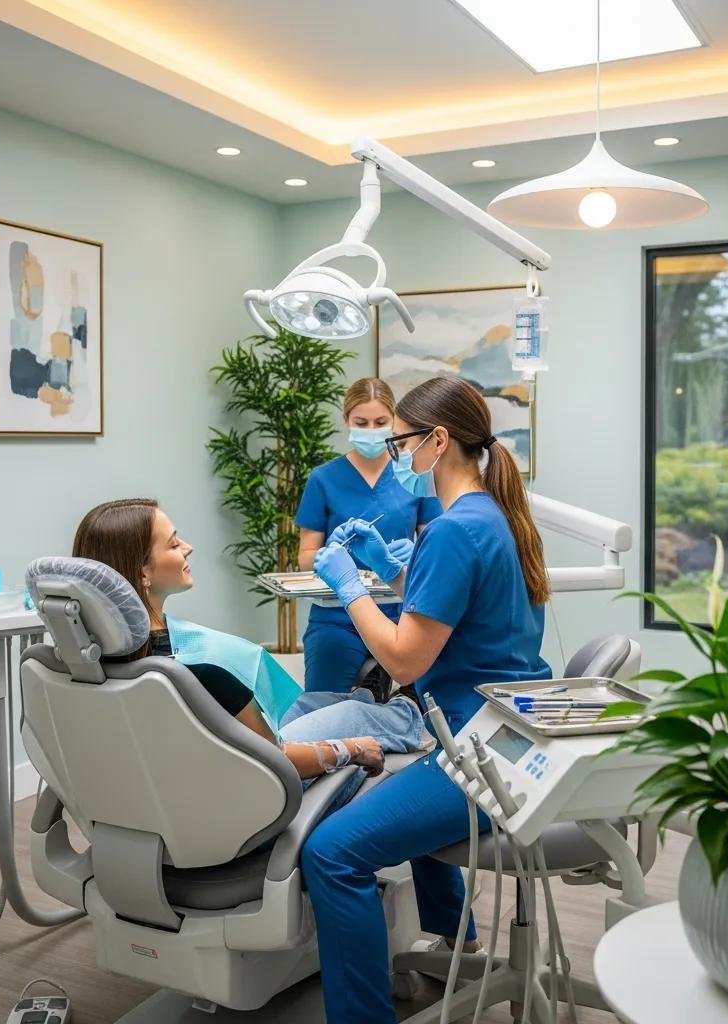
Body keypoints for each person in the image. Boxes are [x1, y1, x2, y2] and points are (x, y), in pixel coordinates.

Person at [304, 376, 552, 1024]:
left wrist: (346, 585)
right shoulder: (494, 518)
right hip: (504, 736)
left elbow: (405, 658)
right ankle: (458, 941)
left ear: (438, 440)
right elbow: (455, 619)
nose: (396, 458)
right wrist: (390, 572)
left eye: (402, 442)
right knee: (394, 799)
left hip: (477, 751)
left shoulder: (454, 531)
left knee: (331, 853)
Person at [72, 498, 433, 789]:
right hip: (251, 798)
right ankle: (410, 711)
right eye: (173, 543)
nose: (188, 547)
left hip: (192, 777)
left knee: (314, 701)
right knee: (356, 718)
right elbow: (271, 760)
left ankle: (371, 699)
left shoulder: (96, 661)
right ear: (142, 572)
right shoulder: (197, 675)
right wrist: (352, 748)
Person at [296, 377, 440, 693]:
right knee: (321, 707)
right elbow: (306, 556)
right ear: (346, 420)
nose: (371, 430)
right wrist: (328, 557)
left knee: (415, 711)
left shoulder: (413, 477)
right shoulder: (323, 479)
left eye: (380, 422)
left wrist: (412, 554)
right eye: (361, 422)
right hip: (337, 616)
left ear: (395, 423)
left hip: (405, 612)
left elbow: (435, 548)